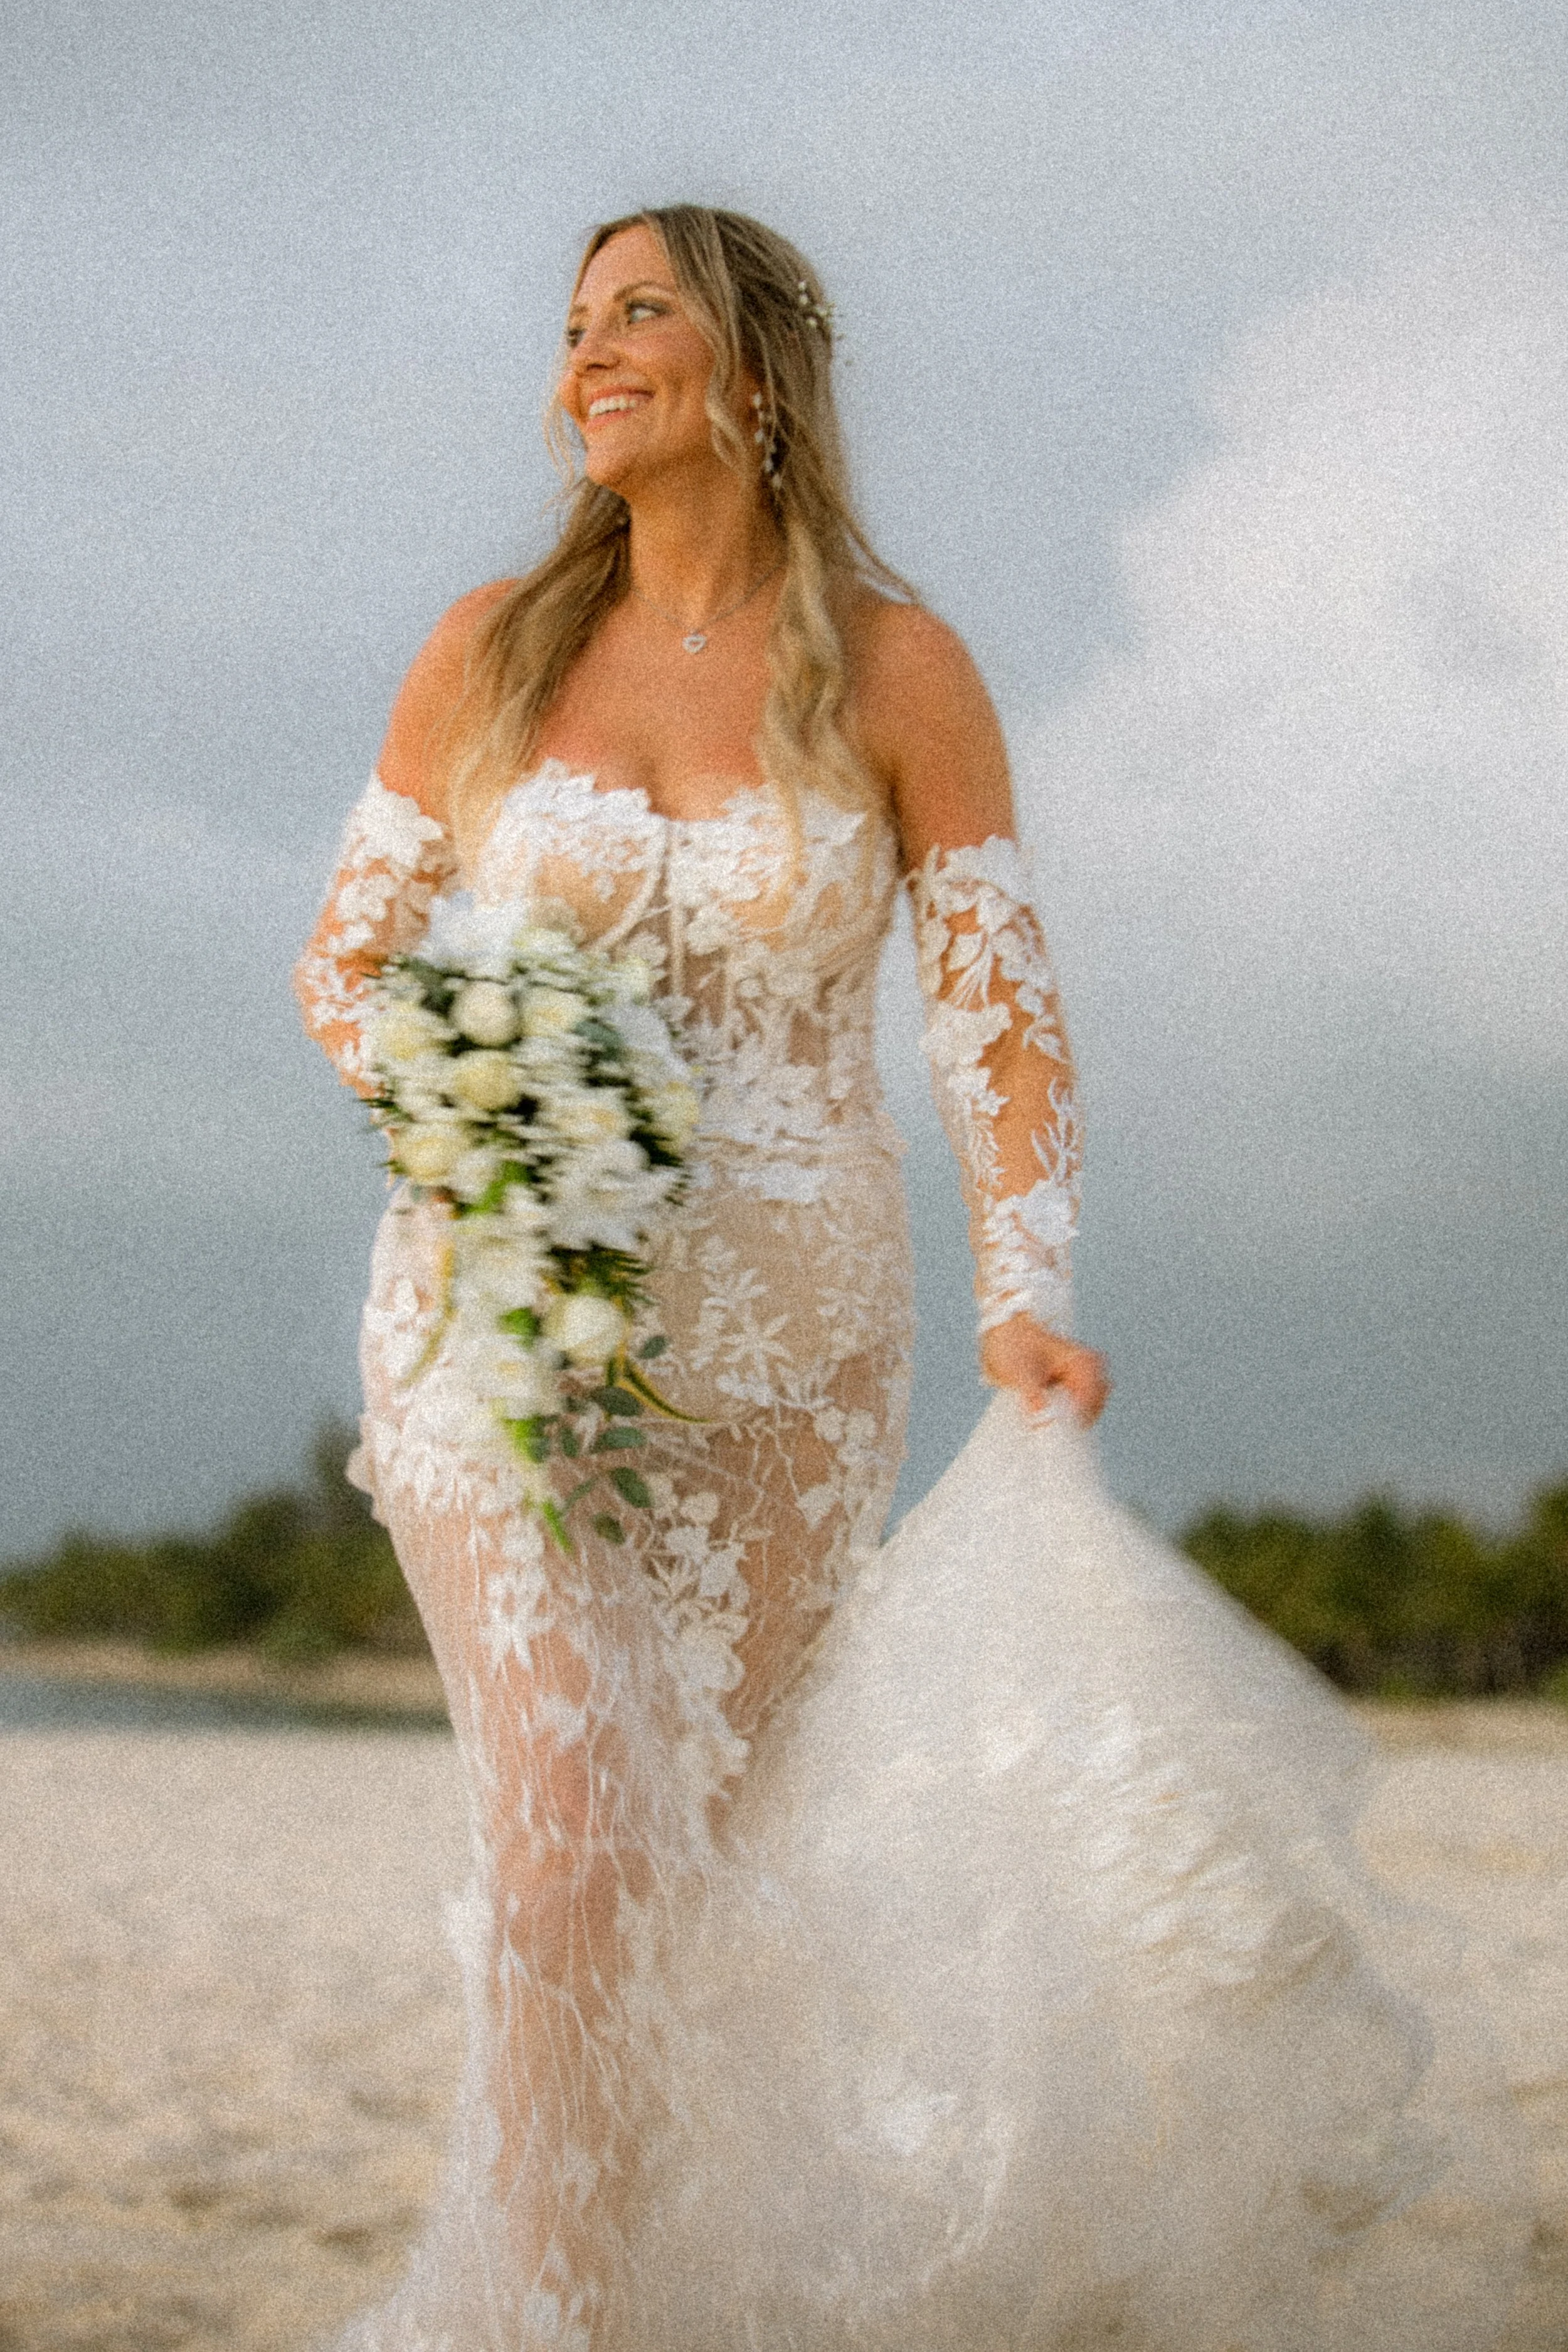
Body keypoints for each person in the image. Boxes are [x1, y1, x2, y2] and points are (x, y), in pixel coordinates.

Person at [295, 207, 1525, 2352]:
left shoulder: (894, 667)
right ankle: (544, 2328)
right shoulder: (486, 649)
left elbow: (991, 1007)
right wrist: (498, 1096)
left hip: (792, 1342)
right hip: (499, 1310)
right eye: (574, 323)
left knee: (696, 1871)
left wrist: (1017, 1285)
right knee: (576, 1817)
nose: (590, 352)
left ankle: (617, 2285)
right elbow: (347, 967)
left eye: (639, 311)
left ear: (756, 372)